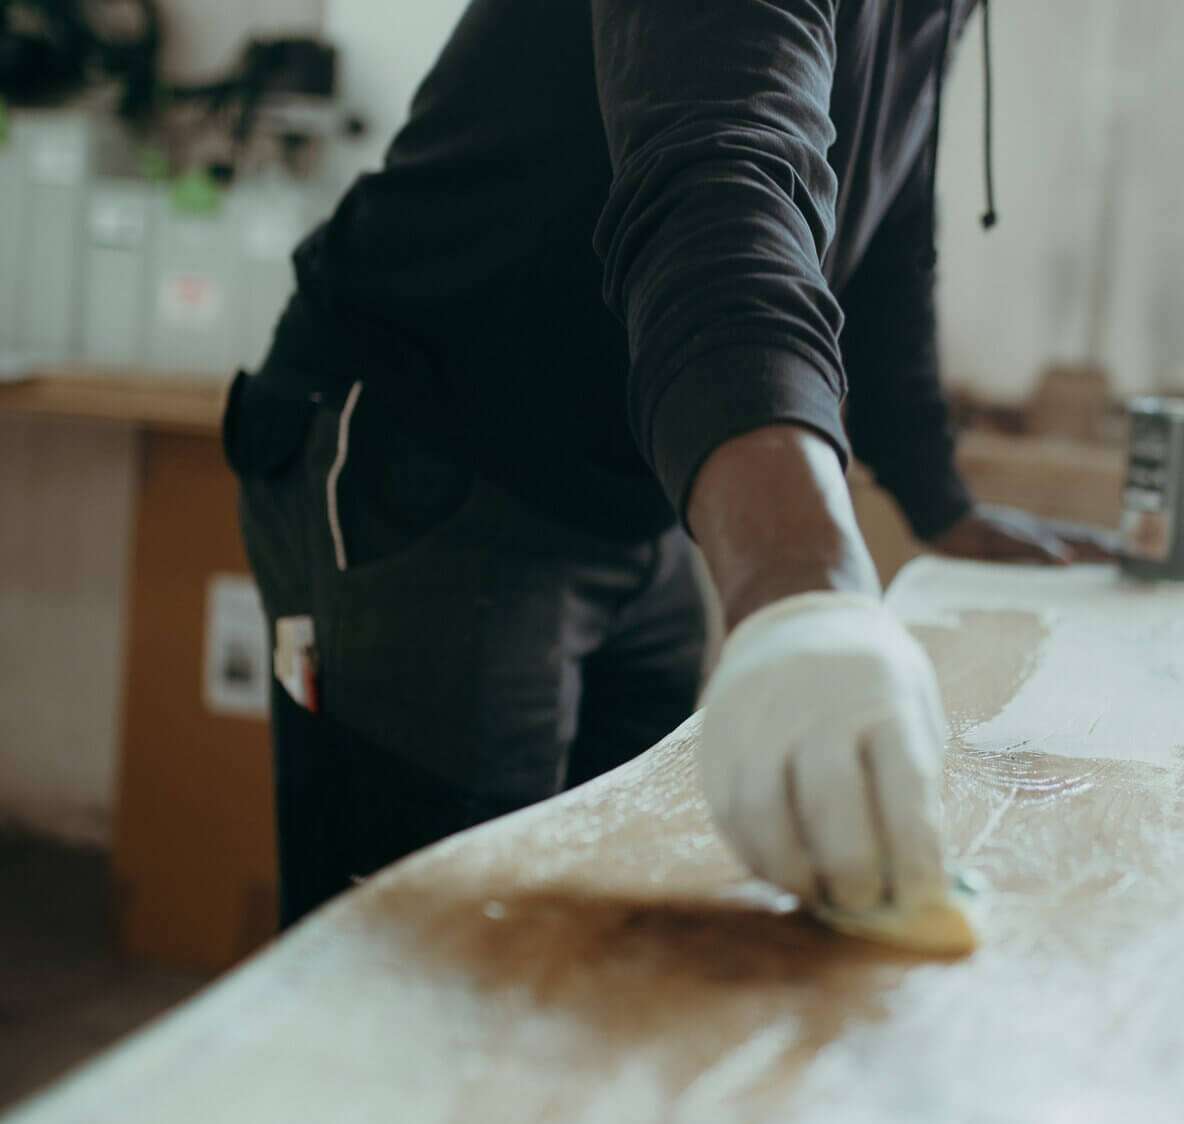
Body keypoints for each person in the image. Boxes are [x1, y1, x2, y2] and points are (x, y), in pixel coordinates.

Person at [226, 0, 1088, 931]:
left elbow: (881, 223)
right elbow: (721, 182)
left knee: (615, 928)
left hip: (635, 493)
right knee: (430, 965)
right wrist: (804, 585)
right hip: (430, 449)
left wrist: (937, 498)